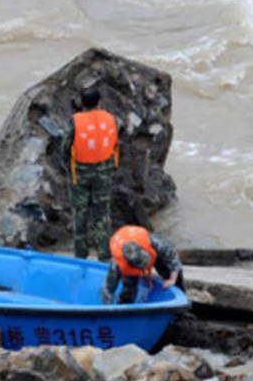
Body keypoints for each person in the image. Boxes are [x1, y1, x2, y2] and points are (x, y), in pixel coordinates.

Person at [62, 86, 118, 261]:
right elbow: (115, 143)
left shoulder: (75, 121)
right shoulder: (110, 119)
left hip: (80, 173)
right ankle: (104, 255)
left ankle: (80, 256)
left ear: (81, 103)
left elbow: (65, 146)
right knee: (102, 213)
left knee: (80, 213)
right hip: (103, 172)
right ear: (99, 103)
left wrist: (67, 167)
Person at [102, 225, 183, 304]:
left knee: (170, 271)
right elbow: (109, 287)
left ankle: (180, 302)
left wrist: (172, 279)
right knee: (128, 289)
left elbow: (172, 256)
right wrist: (108, 304)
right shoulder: (117, 263)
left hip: (152, 254)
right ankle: (125, 309)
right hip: (129, 268)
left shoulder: (150, 241)